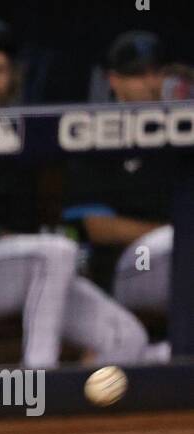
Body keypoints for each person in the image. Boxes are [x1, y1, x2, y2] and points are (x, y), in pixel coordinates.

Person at [0, 18, 149, 368]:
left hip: (27, 269)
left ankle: (68, 418)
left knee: (127, 337)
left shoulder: (19, 129)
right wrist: (18, 242)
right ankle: (38, 374)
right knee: (55, 253)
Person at [64, 32, 174, 316]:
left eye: (155, 73)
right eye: (138, 75)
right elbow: (98, 226)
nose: (150, 84)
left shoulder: (177, 133)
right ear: (114, 81)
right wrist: (173, 234)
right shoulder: (94, 136)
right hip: (127, 264)